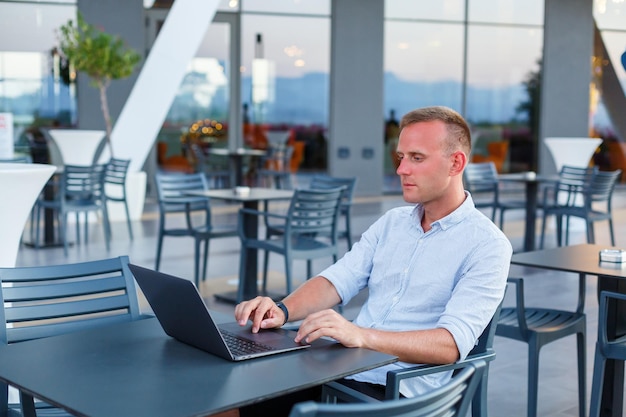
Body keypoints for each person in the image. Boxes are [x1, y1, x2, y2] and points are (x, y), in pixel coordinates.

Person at [234, 105, 513, 416]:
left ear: (455, 163)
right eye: (401, 157)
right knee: (231, 400)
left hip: (400, 392)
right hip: (341, 370)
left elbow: (450, 344)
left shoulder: (487, 245)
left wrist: (360, 335)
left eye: (416, 158)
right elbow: (338, 279)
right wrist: (282, 310)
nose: (401, 169)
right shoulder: (392, 223)